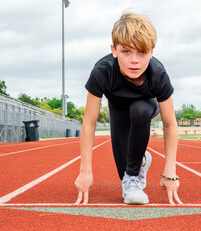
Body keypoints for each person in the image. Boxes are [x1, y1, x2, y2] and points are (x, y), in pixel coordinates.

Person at [74, 12, 182, 205]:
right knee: (122, 169)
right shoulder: (102, 71)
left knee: (139, 110)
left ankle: (133, 179)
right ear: (114, 50)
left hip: (146, 105)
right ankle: (140, 162)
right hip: (118, 108)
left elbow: (170, 124)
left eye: (142, 52)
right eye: (126, 52)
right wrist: (85, 172)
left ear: (151, 51)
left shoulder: (158, 74)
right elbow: (89, 124)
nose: (134, 60)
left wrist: (170, 172)